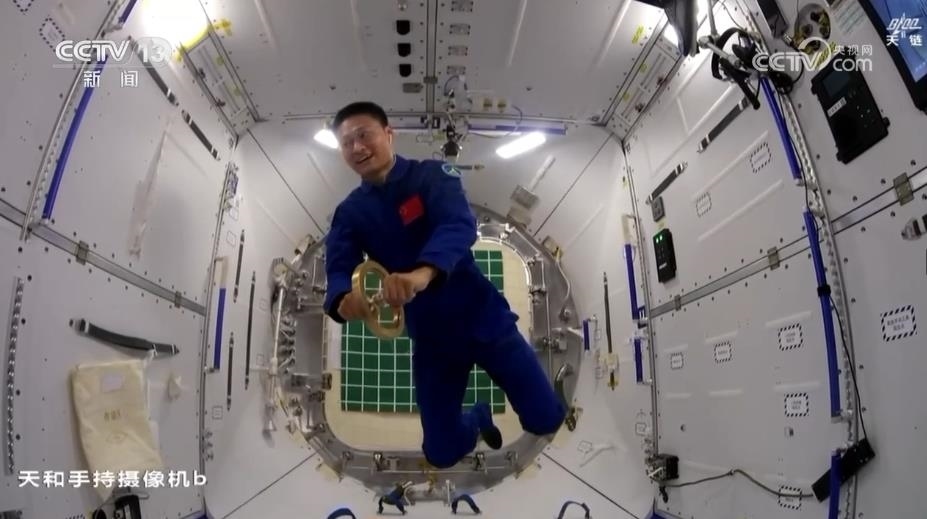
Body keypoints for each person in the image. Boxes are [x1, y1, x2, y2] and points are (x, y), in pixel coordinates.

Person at [322, 101, 566, 469]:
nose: (356, 147)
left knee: (546, 419)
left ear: (388, 134)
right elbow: (339, 264)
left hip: (484, 319)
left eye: (364, 135)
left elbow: (458, 225)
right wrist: (343, 298)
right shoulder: (350, 212)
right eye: (346, 143)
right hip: (433, 339)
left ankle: (528, 409)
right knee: (441, 453)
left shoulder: (433, 175)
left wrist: (420, 274)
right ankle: (477, 419)